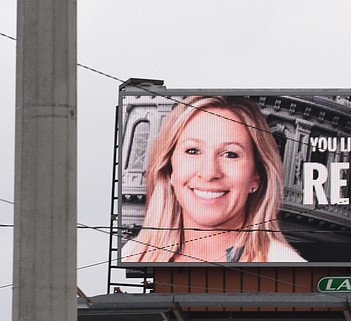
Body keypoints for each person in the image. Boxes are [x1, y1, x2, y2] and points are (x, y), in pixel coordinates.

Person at [122, 96, 305, 263]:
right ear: (170, 170)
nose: (209, 173)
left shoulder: (288, 267)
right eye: (193, 151)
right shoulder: (132, 255)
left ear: (256, 177)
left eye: (230, 154)